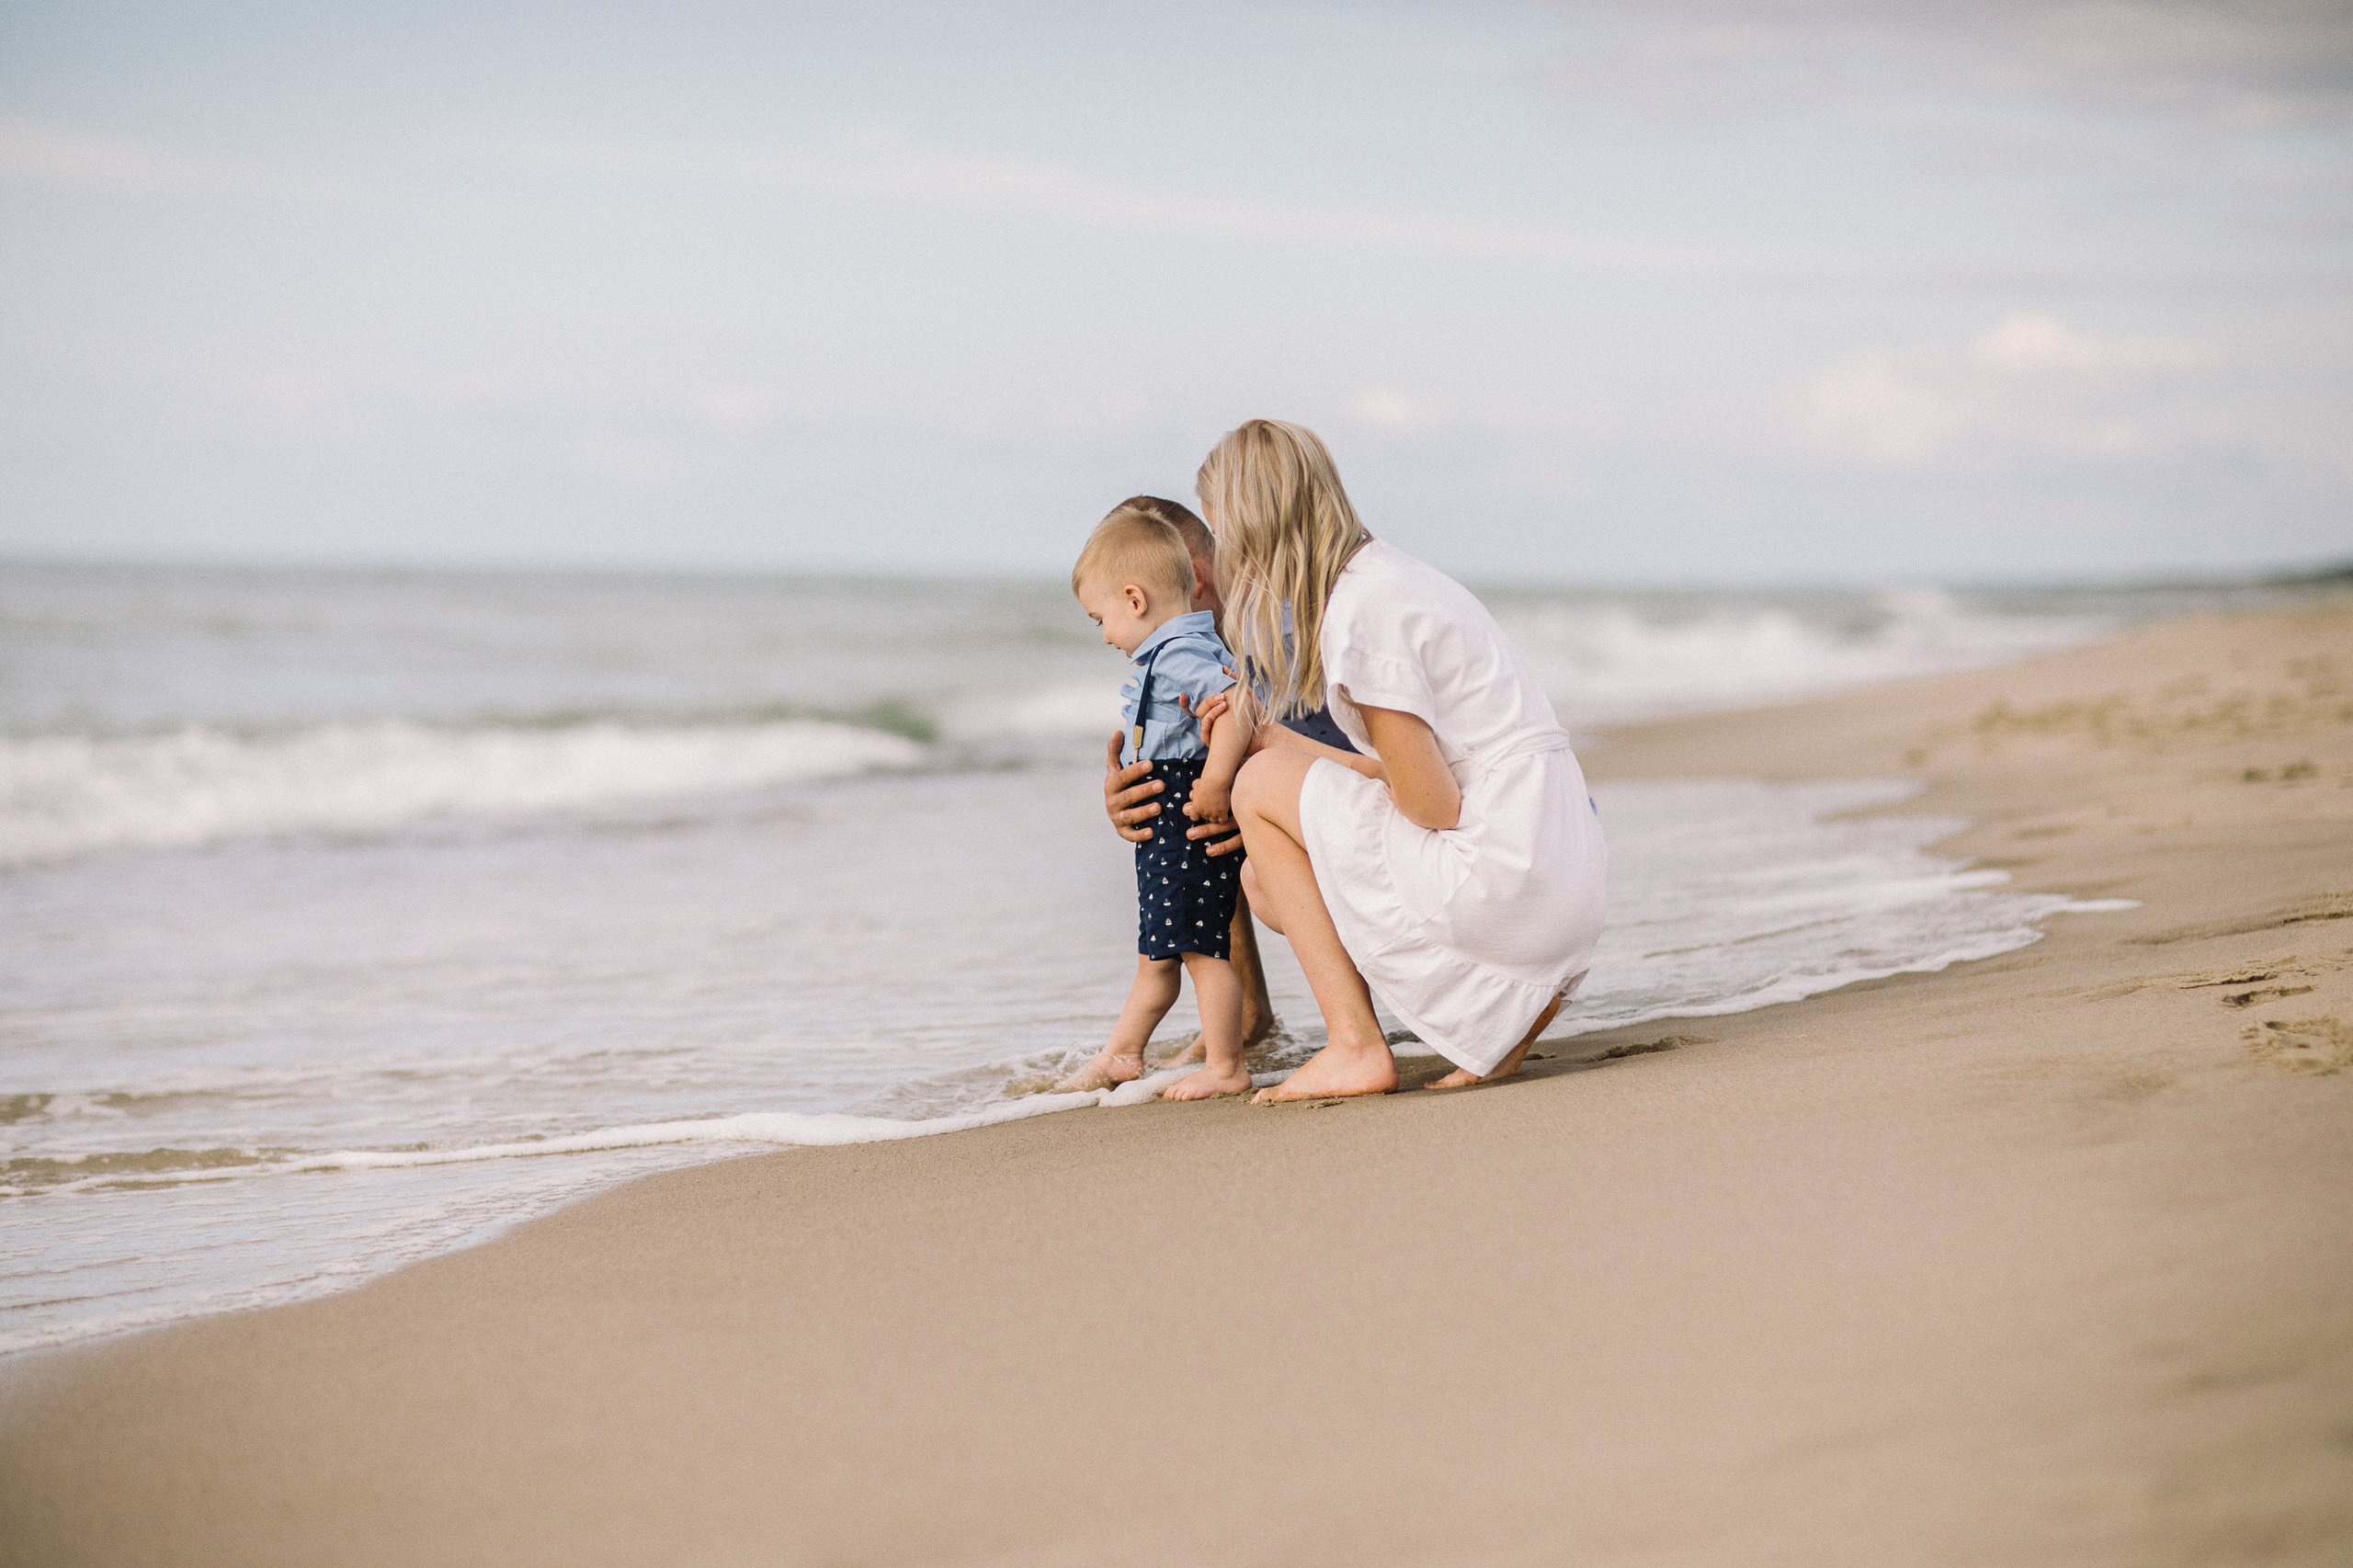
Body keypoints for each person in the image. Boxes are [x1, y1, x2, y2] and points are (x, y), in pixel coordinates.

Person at [1198, 419, 1608, 1102]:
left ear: (1252, 524)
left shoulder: (1362, 612)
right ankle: (1509, 1008)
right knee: (1269, 883)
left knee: (1259, 788)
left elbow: (1432, 805)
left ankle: (1354, 1047)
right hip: (1561, 873)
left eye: (1222, 533)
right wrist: (1289, 743)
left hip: (1510, 882)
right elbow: (1436, 779)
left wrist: (1276, 755)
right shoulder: (1396, 578)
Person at [1098, 494, 1357, 1058]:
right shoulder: (1180, 651)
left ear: (1188, 578)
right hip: (1277, 810)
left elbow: (1370, 770)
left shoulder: (1283, 639)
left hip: (1360, 815)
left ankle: (1316, 1028)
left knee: (1219, 793)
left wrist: (1246, 793)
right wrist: (1131, 794)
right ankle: (1247, 1013)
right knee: (1196, 801)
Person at [1057, 505, 1259, 1101]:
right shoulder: (1170, 653)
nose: (1105, 636)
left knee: (1199, 950)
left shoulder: (1179, 654)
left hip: (1187, 805)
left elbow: (1235, 711)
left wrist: (1218, 783)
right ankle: (1122, 1052)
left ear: (1134, 599)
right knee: (1160, 952)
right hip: (1168, 807)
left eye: (1101, 619)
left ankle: (1226, 1065)